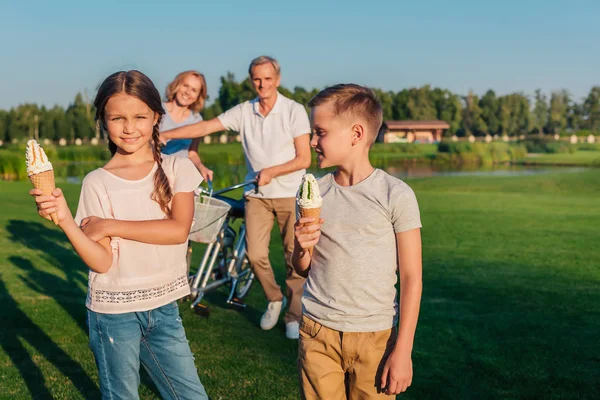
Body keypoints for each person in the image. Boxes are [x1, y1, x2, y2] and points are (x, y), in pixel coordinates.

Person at [31, 70, 209, 399]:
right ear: (103, 120)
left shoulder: (177, 169)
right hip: (113, 316)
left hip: (164, 308)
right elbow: (101, 262)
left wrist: (111, 225)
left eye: (140, 117)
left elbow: (177, 230)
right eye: (117, 118)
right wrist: (66, 220)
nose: (129, 128)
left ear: (156, 116)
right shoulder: (96, 182)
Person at [160, 56, 311, 339]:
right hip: (256, 194)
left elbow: (304, 157)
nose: (262, 84)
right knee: (255, 255)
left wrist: (273, 171)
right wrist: (167, 135)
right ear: (251, 80)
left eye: (267, 78)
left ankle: (293, 314)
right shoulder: (245, 111)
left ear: (277, 79)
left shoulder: (294, 110)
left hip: (290, 193)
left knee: (294, 258)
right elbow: (204, 128)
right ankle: (274, 298)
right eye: (257, 78)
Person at [292, 84, 423, 398]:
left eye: (320, 132)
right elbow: (303, 268)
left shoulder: (395, 194)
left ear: (356, 133)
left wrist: (403, 350)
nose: (312, 142)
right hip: (317, 332)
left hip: (375, 338)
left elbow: (411, 278)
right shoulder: (315, 192)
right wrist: (301, 247)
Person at [161, 70, 213, 182]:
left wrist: (201, 168)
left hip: (181, 176)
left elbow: (192, 153)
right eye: (186, 86)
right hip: (157, 174)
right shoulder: (158, 110)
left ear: (198, 96)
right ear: (177, 85)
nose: (188, 92)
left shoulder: (197, 120)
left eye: (194, 90)